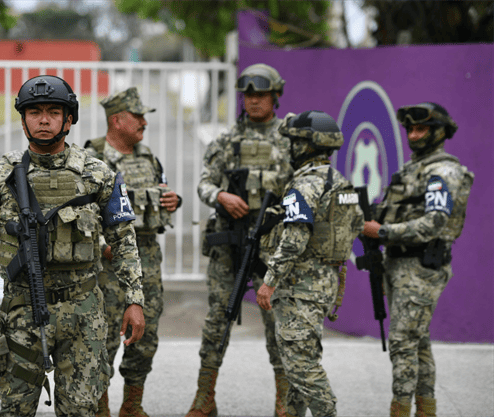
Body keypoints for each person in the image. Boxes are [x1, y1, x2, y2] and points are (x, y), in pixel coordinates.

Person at [0, 75, 146, 417]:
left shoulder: (98, 176)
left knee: (81, 411)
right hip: (20, 313)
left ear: (69, 119)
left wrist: (134, 300)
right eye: (34, 112)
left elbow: (124, 242)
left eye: (53, 111)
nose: (44, 119)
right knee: (16, 410)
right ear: (23, 119)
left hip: (83, 314)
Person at [187, 63, 294, 417]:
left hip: (274, 245)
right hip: (230, 244)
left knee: (278, 323)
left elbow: (307, 186)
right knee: (218, 320)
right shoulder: (226, 140)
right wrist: (220, 196)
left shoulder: (292, 138)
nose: (253, 101)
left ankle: (285, 399)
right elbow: (203, 183)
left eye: (260, 94)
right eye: (248, 95)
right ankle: (205, 397)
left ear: (275, 96)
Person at [361, 102, 473, 417]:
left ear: (439, 131)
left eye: (420, 128)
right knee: (417, 342)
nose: (413, 134)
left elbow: (435, 222)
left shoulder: (443, 170)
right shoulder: (412, 169)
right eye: (409, 128)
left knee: (402, 342)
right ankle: (426, 410)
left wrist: (383, 232)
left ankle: (400, 411)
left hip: (422, 266)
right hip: (398, 264)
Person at [257, 110, 365, 417]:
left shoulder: (303, 186)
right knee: (300, 358)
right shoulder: (339, 182)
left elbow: (294, 239)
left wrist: (269, 280)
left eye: (294, 142)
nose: (290, 147)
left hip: (300, 285)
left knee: (301, 365)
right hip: (324, 280)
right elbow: (354, 225)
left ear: (307, 145)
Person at [84, 87, 181, 417]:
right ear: (116, 120)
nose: (144, 123)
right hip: (107, 266)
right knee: (105, 336)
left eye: (144, 117)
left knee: (146, 335)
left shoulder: (148, 156)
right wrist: (102, 246)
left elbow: (162, 192)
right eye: (137, 116)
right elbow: (80, 214)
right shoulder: (92, 158)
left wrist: (173, 201)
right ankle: (101, 407)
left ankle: (132, 405)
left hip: (147, 261)